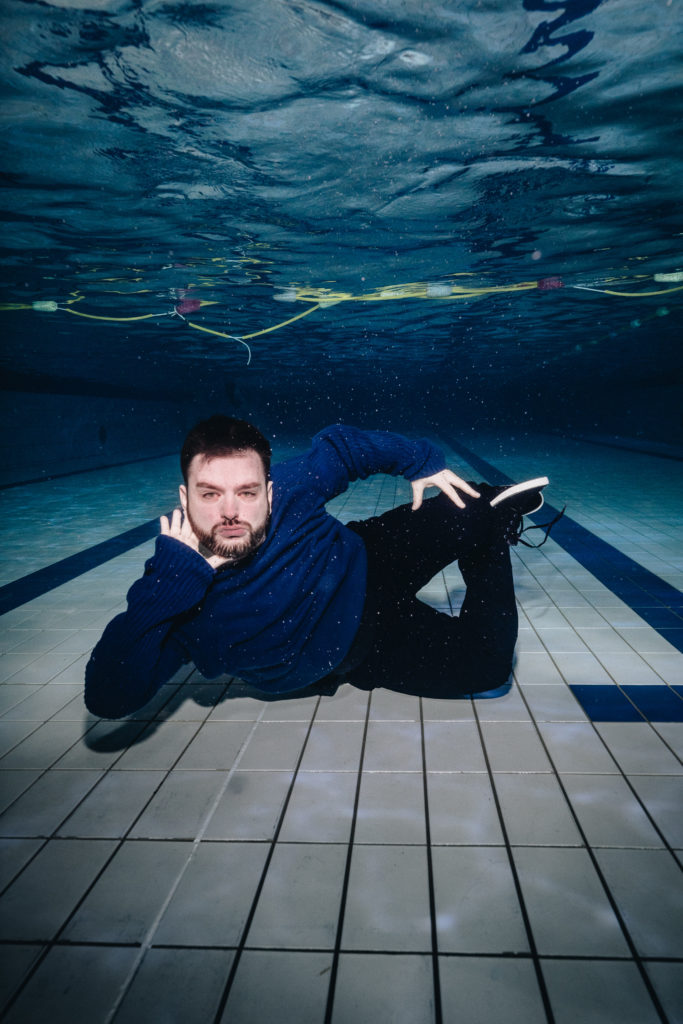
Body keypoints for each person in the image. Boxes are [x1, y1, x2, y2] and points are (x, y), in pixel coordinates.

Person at [85, 418, 557, 718]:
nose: (230, 512)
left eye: (247, 493)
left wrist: (420, 462)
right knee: (489, 669)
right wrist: (169, 584)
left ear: (269, 492)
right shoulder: (176, 592)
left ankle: (493, 515)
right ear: (185, 499)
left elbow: (343, 448)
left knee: (471, 511)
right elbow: (108, 699)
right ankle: (491, 521)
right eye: (210, 494)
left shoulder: (289, 487)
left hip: (367, 556)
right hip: (360, 648)